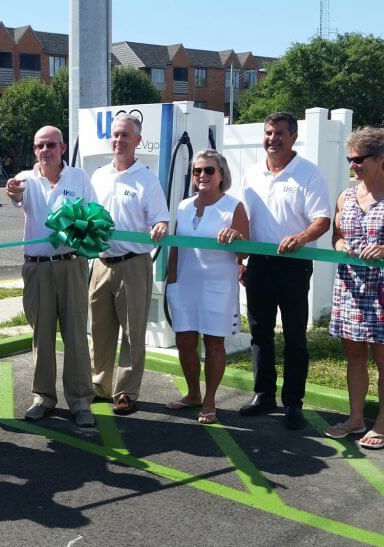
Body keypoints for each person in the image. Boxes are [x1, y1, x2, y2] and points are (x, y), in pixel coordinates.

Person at [324, 127, 384, 449]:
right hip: (350, 286)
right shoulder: (346, 196)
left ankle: (383, 422)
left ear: (380, 158)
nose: (353, 165)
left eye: (358, 159)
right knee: (353, 356)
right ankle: (355, 418)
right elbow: (337, 235)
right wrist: (340, 244)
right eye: (350, 160)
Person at [236, 111, 332, 430]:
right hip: (259, 265)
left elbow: (322, 219)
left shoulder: (308, 173)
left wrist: (301, 237)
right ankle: (264, 395)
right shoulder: (251, 174)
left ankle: (293, 402)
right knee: (260, 334)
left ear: (293, 137)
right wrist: (241, 259)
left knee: (294, 336)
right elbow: (244, 221)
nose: (272, 139)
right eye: (268, 133)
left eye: (279, 133)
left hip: (293, 265)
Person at [6, 126, 97, 427]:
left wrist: (76, 226)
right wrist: (13, 192)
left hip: (71, 264)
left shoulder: (79, 178)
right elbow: (16, 196)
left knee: (75, 335)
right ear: (35, 150)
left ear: (63, 148)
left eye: (51, 145)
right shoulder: (25, 179)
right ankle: (42, 397)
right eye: (40, 146)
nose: (45, 150)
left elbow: (94, 216)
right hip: (37, 267)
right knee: (41, 336)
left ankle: (81, 400)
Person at [89, 114, 169, 415]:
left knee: (133, 333)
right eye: (115, 135)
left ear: (137, 140)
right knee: (99, 329)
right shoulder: (98, 176)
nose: (119, 140)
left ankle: (125, 392)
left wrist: (160, 226)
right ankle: (99, 385)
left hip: (134, 264)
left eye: (126, 135)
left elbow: (160, 218)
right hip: (100, 263)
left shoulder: (146, 179)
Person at [165, 151, 248, 424]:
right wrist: (171, 281)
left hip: (217, 285)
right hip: (185, 283)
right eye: (198, 170)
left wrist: (236, 238)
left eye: (209, 170)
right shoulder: (183, 206)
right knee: (184, 342)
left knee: (213, 343)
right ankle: (192, 393)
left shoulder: (233, 206)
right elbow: (176, 245)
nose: (202, 175)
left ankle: (210, 399)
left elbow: (244, 253)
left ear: (221, 174)